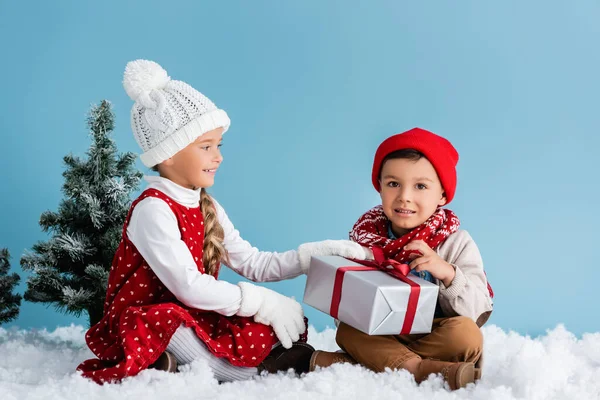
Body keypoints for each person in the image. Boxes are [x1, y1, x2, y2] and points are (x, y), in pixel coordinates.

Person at [77, 60, 370, 384]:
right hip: (147, 318)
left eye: (218, 145)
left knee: (278, 323)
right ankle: (253, 370)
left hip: (196, 310)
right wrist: (257, 300)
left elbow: (254, 263)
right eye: (206, 147)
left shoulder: (207, 206)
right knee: (169, 320)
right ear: (169, 154)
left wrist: (308, 257)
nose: (218, 156)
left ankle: (175, 362)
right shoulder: (153, 210)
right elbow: (188, 288)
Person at [309, 128, 494, 390]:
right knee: (348, 331)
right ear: (380, 187)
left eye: (420, 186)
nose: (405, 196)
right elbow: (345, 311)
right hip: (382, 333)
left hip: (434, 331)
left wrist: (448, 274)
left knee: (467, 334)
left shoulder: (456, 241)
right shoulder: (364, 239)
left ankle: (364, 365)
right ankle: (419, 369)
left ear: (442, 195)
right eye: (393, 183)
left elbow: (476, 311)